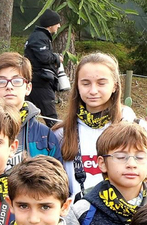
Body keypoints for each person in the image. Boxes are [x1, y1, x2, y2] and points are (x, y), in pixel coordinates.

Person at [56, 52, 137, 195]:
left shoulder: (134, 127)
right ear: (77, 86)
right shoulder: (61, 133)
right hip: (76, 215)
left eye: (101, 83)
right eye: (86, 83)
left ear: (115, 86)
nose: (93, 91)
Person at [23, 9, 65, 121]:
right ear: (50, 24)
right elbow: (44, 58)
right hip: (40, 82)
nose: (59, 26)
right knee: (52, 118)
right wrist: (57, 58)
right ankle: (58, 138)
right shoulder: (39, 37)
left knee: (27, 115)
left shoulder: (39, 36)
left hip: (35, 80)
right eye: (57, 23)